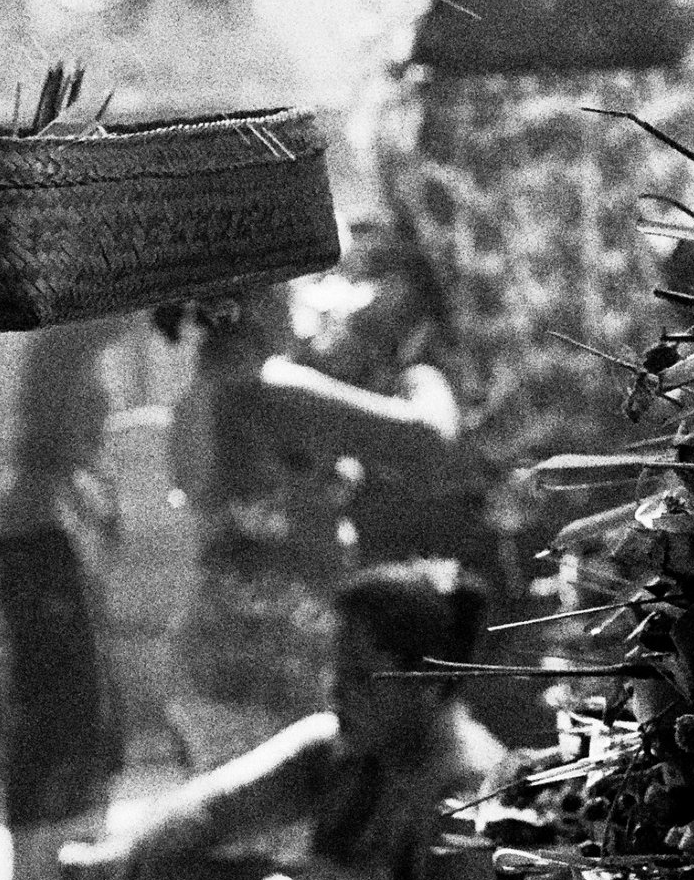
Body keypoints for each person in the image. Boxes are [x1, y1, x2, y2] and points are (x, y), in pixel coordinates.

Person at [67, 559, 510, 880]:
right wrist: (129, 852)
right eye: (336, 673)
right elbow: (213, 808)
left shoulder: (468, 790)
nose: (338, 693)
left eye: (362, 677)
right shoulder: (337, 749)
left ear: (429, 684)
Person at [157, 287, 474, 778]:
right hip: (276, 661)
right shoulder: (273, 387)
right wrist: (423, 371)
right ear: (259, 300)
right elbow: (424, 444)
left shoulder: (197, 394)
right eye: (294, 288)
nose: (307, 307)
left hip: (217, 655)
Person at [0, 310, 142, 880]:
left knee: (88, 712)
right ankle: (39, 878)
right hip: (38, 535)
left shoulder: (78, 355)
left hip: (54, 527)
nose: (105, 415)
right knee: (61, 707)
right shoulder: (63, 348)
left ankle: (66, 872)